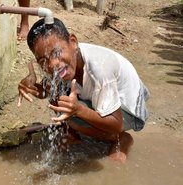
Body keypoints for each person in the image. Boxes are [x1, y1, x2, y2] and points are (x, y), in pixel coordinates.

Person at [17, 17, 150, 163]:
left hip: (128, 109)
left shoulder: (99, 69)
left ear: (73, 42)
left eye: (56, 53)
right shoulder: (66, 59)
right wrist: (33, 87)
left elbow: (116, 124)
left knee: (71, 113)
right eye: (43, 60)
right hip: (106, 94)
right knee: (59, 99)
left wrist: (79, 110)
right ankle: (73, 134)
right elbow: (47, 91)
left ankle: (119, 139)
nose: (52, 64)